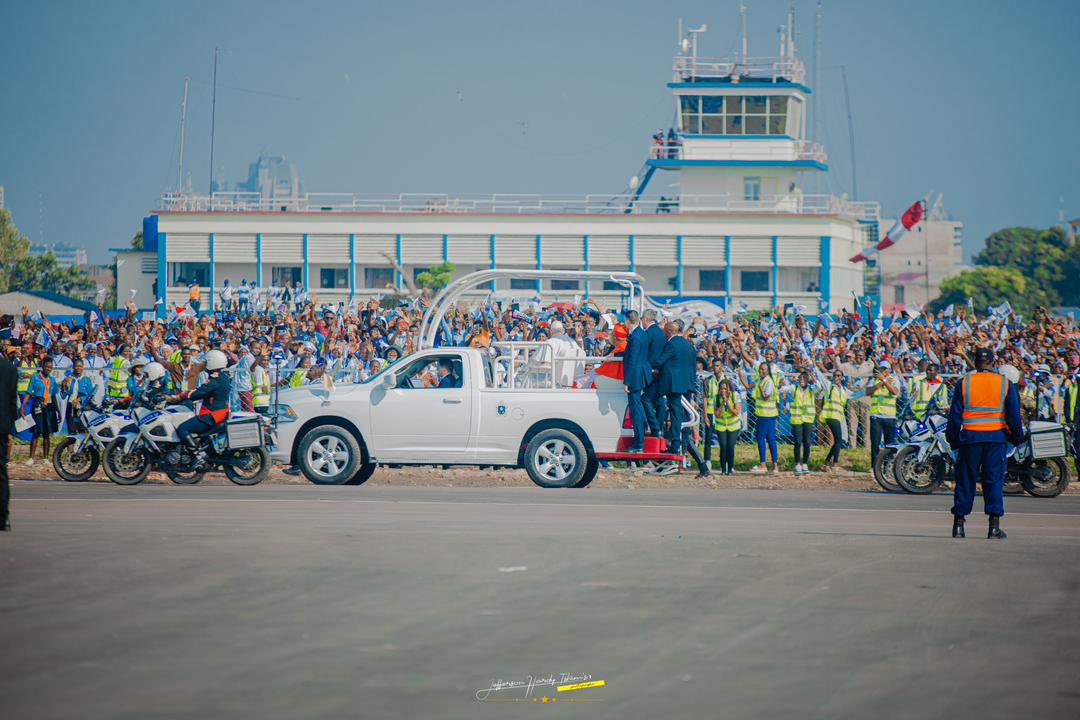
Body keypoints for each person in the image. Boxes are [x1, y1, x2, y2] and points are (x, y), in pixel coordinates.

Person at [946, 348, 1022, 539]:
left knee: (965, 481)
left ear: (975, 362)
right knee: (993, 481)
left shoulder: (964, 382)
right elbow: (1014, 416)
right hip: (995, 439)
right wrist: (1016, 437)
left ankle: (958, 526)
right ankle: (994, 527)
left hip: (970, 439)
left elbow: (955, 416)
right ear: (993, 363)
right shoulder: (1004, 384)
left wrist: (953, 440)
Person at [171, 349, 232, 454]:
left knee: (182, 428)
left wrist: (181, 397)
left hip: (211, 415)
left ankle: (196, 453)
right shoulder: (223, 377)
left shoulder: (214, 380)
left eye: (206, 362)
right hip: (221, 413)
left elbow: (199, 393)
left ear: (212, 363)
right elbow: (207, 392)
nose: (204, 365)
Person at [622, 310, 651, 453]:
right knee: (637, 409)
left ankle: (639, 443)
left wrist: (626, 381)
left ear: (627, 321)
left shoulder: (635, 337)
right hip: (641, 375)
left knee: (636, 411)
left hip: (635, 377)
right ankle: (640, 440)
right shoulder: (641, 333)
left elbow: (632, 360)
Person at [743, 361, 778, 473]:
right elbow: (748, 386)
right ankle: (775, 465)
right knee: (770, 439)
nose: (761, 371)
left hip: (766, 415)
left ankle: (763, 464)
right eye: (760, 369)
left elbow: (766, 397)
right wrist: (740, 376)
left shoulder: (768, 382)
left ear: (768, 370)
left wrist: (761, 388)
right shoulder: (760, 380)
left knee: (761, 438)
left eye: (763, 369)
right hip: (765, 414)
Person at [26, 357, 59, 466]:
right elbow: (29, 392)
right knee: (36, 432)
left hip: (48, 406)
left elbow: (53, 396)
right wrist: (23, 406)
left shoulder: (52, 380)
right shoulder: (35, 377)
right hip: (37, 405)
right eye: (46, 366)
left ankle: (46, 458)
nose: (48, 369)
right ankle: (31, 457)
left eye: (50, 367)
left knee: (46, 433)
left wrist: (57, 409)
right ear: (42, 366)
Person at [867, 359, 899, 466]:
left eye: (885, 369)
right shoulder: (874, 380)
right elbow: (868, 392)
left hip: (890, 417)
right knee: (875, 444)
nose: (883, 371)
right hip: (876, 416)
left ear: (889, 370)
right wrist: (881, 382)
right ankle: (874, 467)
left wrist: (884, 381)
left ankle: (887, 467)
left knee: (889, 444)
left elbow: (894, 392)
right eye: (882, 369)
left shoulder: (894, 379)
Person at [0, 342, 18, 531]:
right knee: (1, 472)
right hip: (2, 427)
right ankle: (3, 516)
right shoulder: (9, 370)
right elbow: (13, 403)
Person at [641, 309, 667, 438]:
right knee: (658, 400)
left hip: (651, 371)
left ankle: (655, 428)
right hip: (660, 371)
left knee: (645, 399)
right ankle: (659, 427)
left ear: (646, 319)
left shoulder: (648, 333)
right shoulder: (661, 333)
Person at [819, 369, 848, 470]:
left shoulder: (844, 390)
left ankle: (826, 463)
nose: (836, 377)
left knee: (837, 441)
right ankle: (835, 464)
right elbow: (820, 376)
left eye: (839, 375)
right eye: (835, 375)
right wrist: (813, 363)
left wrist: (870, 389)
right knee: (839, 440)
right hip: (830, 416)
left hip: (838, 417)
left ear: (842, 378)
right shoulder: (829, 386)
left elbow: (855, 394)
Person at [788, 370, 816, 475]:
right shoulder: (795, 388)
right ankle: (797, 463)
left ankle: (805, 463)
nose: (802, 380)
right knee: (798, 442)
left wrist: (813, 377)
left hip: (808, 419)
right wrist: (785, 383)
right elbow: (784, 389)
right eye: (801, 378)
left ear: (808, 380)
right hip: (796, 419)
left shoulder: (812, 389)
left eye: (805, 378)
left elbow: (819, 387)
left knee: (807, 442)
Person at [712, 378, 741, 476]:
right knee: (723, 446)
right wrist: (722, 404)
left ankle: (730, 468)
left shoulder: (735, 395)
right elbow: (717, 414)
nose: (723, 391)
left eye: (725, 389)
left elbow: (736, 412)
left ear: (729, 389)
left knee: (730, 446)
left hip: (733, 425)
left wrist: (727, 402)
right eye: (721, 389)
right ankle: (723, 469)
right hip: (721, 426)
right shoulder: (716, 397)